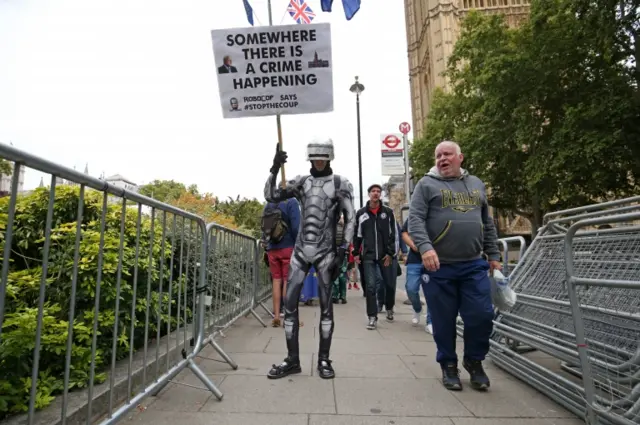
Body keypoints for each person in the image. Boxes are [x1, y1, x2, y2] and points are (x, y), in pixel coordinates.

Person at [408, 140, 501, 392]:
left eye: (447, 154)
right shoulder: (426, 185)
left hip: (473, 264)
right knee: (443, 320)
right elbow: (414, 219)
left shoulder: (477, 184)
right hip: (440, 267)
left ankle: (474, 360)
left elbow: (487, 222)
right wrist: (426, 248)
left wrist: (493, 253)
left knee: (482, 315)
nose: (442, 159)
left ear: (461, 157)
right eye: (438, 155)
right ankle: (449, 364)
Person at [264, 138, 355, 380]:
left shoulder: (340, 183)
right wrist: (273, 169)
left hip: (326, 251)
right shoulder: (301, 182)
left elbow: (350, 217)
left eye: (323, 157)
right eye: (315, 157)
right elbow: (271, 196)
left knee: (327, 308)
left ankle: (324, 359)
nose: (319, 161)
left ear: (329, 157)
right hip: (301, 250)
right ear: (310, 158)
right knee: (289, 305)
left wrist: (344, 250)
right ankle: (292, 360)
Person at [352, 184, 398, 330]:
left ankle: (389, 307)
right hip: (369, 256)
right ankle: (372, 317)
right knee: (371, 287)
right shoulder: (361, 214)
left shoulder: (388, 212)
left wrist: (390, 253)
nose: (376, 194)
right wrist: (356, 253)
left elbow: (393, 234)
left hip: (385, 256)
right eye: (373, 191)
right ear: (369, 194)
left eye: (378, 191)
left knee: (389, 285)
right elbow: (357, 235)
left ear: (381, 195)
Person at [261, 198, 300, 327]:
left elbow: (264, 225)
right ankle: (288, 317)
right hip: (287, 247)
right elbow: (296, 226)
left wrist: (266, 242)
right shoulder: (291, 202)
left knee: (276, 281)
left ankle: (276, 316)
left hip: (272, 248)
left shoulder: (269, 204)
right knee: (287, 281)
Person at [401, 217, 432, 333]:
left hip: (432, 259)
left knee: (432, 292)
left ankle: (430, 321)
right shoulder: (415, 215)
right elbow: (404, 233)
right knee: (411, 288)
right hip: (415, 259)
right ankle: (417, 308)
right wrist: (413, 245)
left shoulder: (437, 213)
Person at [332, 215, 349, 304]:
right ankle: (343, 296)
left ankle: (335, 296)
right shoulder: (345, 226)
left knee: (335, 274)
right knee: (342, 275)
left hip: (334, 254)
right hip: (343, 254)